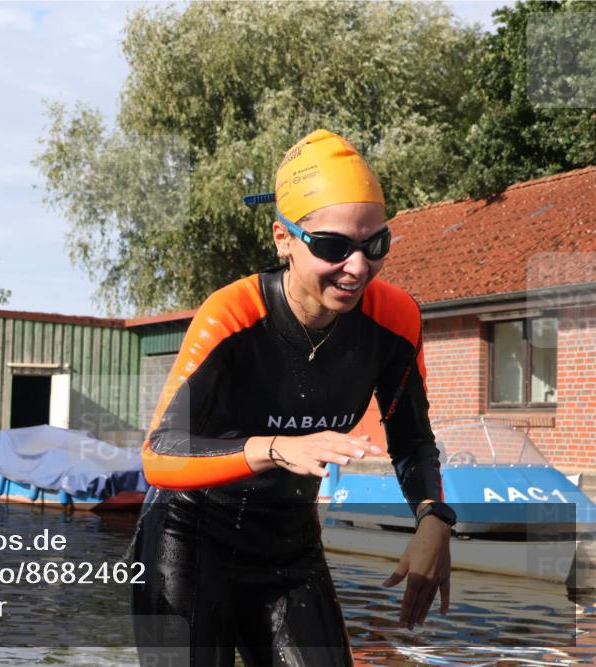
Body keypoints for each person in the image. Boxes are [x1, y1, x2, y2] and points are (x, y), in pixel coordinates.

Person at [131, 129, 455, 666]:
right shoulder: (231, 315)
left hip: (288, 542)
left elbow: (413, 439)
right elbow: (159, 454)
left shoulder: (395, 319)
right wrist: (275, 447)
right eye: (333, 247)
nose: (358, 268)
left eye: (375, 245)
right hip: (188, 535)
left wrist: (433, 519)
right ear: (282, 238)